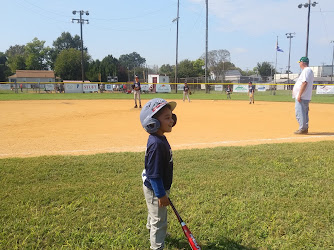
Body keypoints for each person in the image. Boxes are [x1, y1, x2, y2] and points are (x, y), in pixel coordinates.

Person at [140, 98, 177, 250]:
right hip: (156, 189)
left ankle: (152, 229)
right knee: (159, 220)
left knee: (154, 214)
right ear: (153, 122)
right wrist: (161, 195)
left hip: (155, 187)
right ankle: (156, 246)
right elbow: (154, 175)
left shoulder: (159, 138)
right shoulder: (156, 144)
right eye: (167, 118)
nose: (172, 120)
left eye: (171, 116)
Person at [292, 56, 314, 134]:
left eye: (300, 62)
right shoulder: (308, 70)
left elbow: (304, 83)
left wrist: (299, 95)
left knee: (300, 112)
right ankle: (304, 128)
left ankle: (302, 128)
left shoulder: (306, 70)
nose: (299, 64)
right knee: (303, 113)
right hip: (305, 96)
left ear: (303, 63)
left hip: (302, 96)